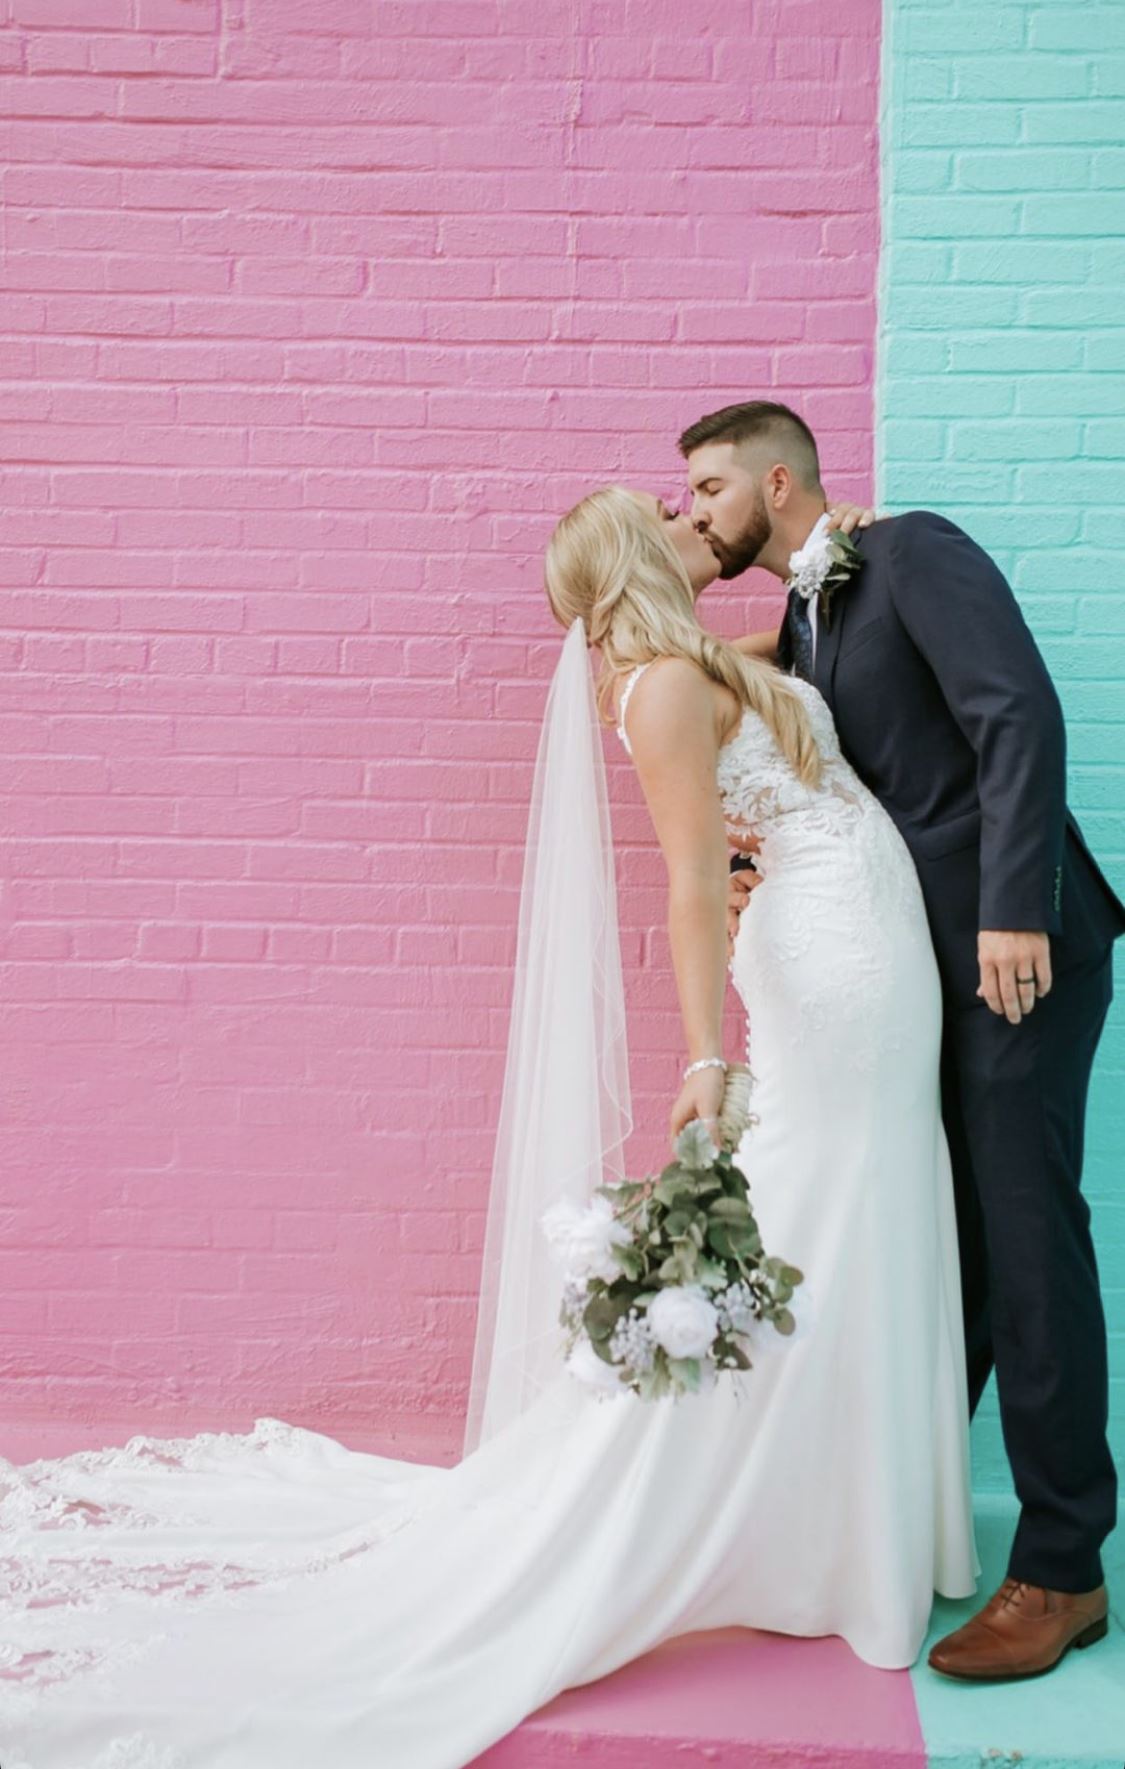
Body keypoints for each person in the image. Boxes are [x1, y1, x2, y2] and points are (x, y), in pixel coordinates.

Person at [0, 484, 977, 1769]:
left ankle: (855, 1516)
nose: (695, 521)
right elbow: (692, 874)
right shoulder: (666, 692)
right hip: (832, 966)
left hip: (873, 943)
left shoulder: (701, 658)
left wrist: (823, 577)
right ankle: (737, 1516)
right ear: (635, 553)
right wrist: (701, 1053)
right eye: (669, 515)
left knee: (875, 1199)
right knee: (820, 1202)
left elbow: (802, 667)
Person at [688, 398, 1125, 1681]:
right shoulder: (809, 619)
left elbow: (1016, 717)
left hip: (1016, 953)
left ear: (779, 482)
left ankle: (1063, 1566)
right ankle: (890, 1518)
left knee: (1026, 1230)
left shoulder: (912, 551)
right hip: (912, 979)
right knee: (962, 1237)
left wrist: (1011, 912)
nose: (697, 514)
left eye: (710, 488)